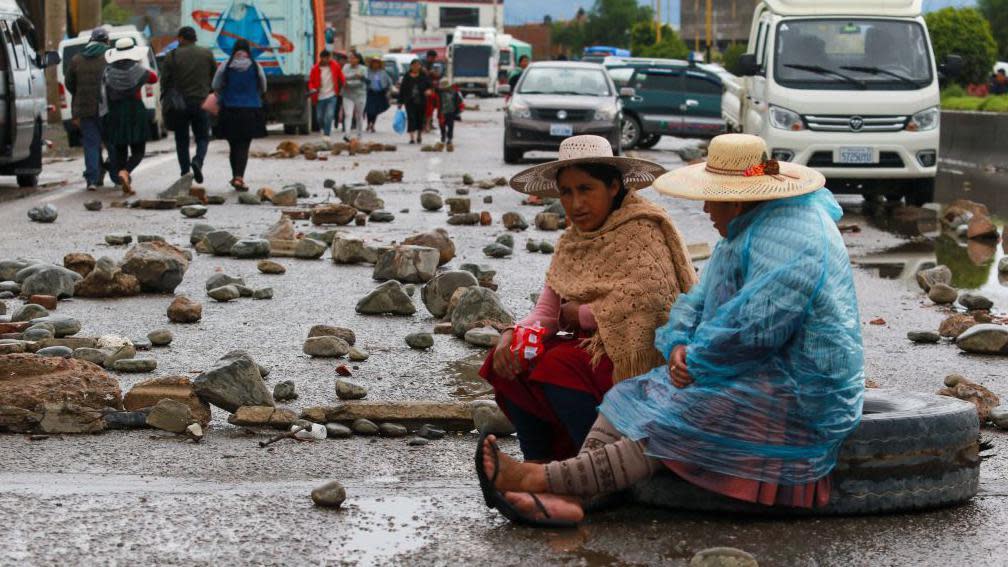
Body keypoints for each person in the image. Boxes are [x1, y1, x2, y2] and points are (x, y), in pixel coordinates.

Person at [478, 133, 865, 526]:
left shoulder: (791, 237)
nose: (707, 208)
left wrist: (695, 357)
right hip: (749, 365)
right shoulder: (746, 231)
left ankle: (539, 477)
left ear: (738, 197)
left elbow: (752, 328)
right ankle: (576, 498)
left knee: (669, 420)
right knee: (627, 401)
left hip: (797, 384)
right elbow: (696, 304)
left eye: (712, 198)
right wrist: (680, 341)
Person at [479, 135, 698, 463]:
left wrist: (581, 315)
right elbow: (548, 313)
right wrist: (511, 334)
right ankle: (538, 463)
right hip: (594, 350)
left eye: (586, 189)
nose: (575, 203)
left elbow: (654, 303)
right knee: (508, 363)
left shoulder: (643, 230)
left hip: (639, 356)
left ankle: (597, 466)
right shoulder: (572, 242)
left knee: (559, 365)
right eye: (566, 192)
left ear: (613, 187)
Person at [101, 37, 158, 195]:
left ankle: (122, 175)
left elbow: (103, 92)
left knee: (120, 150)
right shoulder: (137, 70)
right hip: (135, 113)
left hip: (115, 113)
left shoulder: (108, 72)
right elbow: (154, 78)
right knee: (138, 151)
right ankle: (125, 172)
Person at [160, 26, 216, 184]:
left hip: (179, 104)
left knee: (181, 139)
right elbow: (214, 76)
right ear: (195, 38)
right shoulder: (206, 54)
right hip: (201, 101)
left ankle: (185, 172)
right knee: (203, 137)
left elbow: (164, 81)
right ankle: (198, 161)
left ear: (180, 38)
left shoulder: (172, 55)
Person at [212, 39, 267, 192]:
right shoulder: (256, 66)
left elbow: (215, 85)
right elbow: (263, 86)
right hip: (250, 110)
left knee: (233, 145)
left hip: (230, 110)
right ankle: (239, 177)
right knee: (244, 145)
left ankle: (235, 175)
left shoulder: (226, 65)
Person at [65, 27, 110, 191]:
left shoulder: (77, 59)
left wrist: (80, 95)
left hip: (84, 109)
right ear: (106, 41)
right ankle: (115, 175)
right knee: (111, 142)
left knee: (91, 144)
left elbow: (69, 83)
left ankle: (92, 179)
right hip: (107, 108)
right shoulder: (110, 56)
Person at [308, 50, 345, 141]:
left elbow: (341, 77)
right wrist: (312, 88)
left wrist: (343, 87)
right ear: (321, 58)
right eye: (325, 58)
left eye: (329, 57)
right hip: (319, 96)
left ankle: (327, 135)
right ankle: (323, 129)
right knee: (319, 117)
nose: (327, 60)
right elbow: (311, 82)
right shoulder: (315, 68)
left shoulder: (335, 66)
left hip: (332, 95)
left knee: (329, 115)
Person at [398, 59, 432, 144]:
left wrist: (429, 91)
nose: (416, 67)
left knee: (420, 119)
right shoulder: (407, 76)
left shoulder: (424, 76)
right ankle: (412, 137)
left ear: (420, 66)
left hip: (421, 101)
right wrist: (400, 102)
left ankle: (419, 135)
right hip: (409, 101)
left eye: (418, 65)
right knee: (411, 118)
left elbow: (430, 86)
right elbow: (402, 89)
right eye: (414, 65)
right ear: (411, 66)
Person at [341, 51, 367, 140]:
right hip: (347, 94)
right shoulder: (345, 67)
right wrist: (355, 76)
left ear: (358, 59)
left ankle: (359, 135)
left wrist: (348, 82)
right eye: (350, 57)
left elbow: (361, 83)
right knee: (348, 114)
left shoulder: (363, 69)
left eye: (354, 58)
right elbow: (342, 77)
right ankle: (347, 134)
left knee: (359, 115)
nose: (351, 59)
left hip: (360, 95)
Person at [364, 57, 392, 133]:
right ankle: (368, 123)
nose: (375, 64)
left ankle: (373, 124)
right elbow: (364, 80)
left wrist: (388, 91)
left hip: (380, 93)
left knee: (375, 110)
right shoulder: (367, 72)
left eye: (377, 63)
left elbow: (389, 82)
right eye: (374, 63)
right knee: (369, 110)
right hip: (370, 92)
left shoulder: (383, 72)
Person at [435, 78, 463, 149]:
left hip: (451, 112)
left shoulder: (454, 92)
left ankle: (449, 139)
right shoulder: (439, 92)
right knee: (442, 126)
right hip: (441, 113)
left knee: (450, 126)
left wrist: (458, 111)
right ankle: (443, 137)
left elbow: (459, 101)